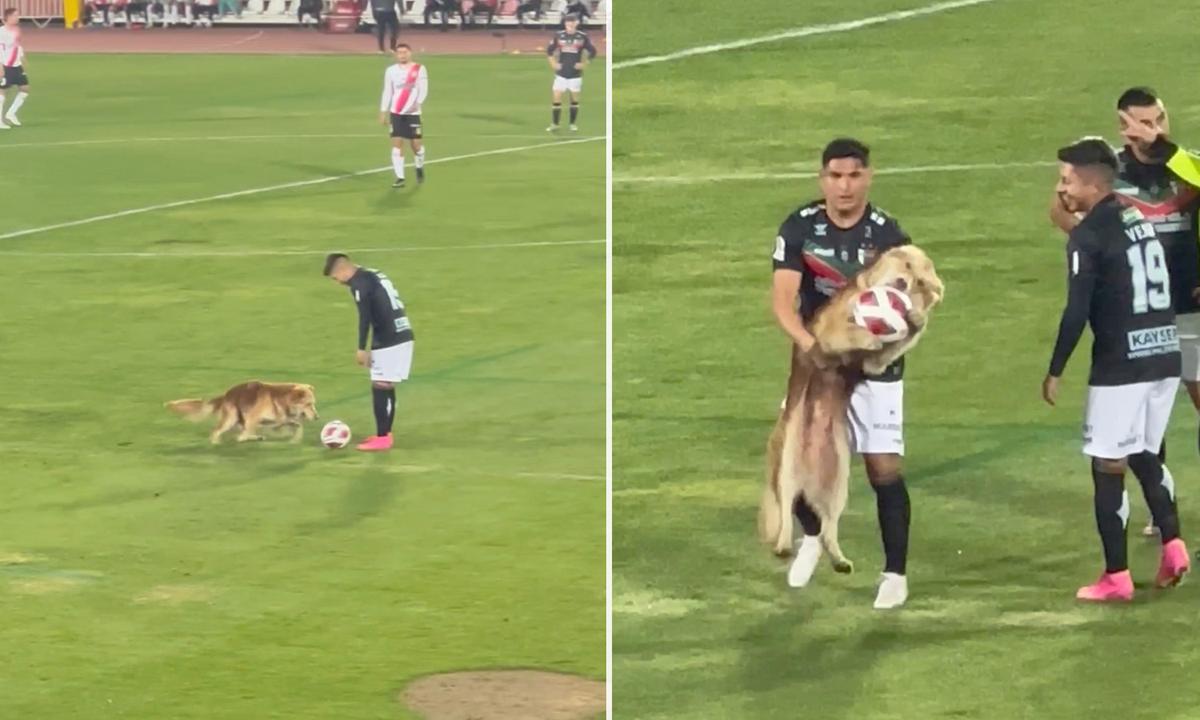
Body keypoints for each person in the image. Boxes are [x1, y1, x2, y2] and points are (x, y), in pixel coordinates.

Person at [1043, 137, 1189, 601]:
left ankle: (1116, 576)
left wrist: (1055, 368)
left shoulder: (1087, 237)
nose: (1061, 189)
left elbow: (1076, 310)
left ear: (1090, 183)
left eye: (1066, 180)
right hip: (1164, 353)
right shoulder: (1137, 218)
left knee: (1108, 465)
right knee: (1146, 454)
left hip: (1121, 365)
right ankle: (1174, 545)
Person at [770, 138, 914, 609]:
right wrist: (815, 348)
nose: (844, 186)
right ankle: (813, 537)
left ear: (868, 177)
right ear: (822, 179)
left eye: (853, 175)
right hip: (818, 365)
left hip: (875, 370)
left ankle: (895, 574)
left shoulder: (889, 235)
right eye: (835, 176)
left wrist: (884, 339)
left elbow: (910, 309)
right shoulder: (800, 227)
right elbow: (782, 302)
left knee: (883, 469)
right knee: (792, 461)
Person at [1051, 87, 1200, 538]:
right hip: (1140, 313)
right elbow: (1059, 209)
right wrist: (1097, 246)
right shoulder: (1108, 170)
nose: (1155, 128)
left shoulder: (1184, 163)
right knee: (1144, 414)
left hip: (1190, 305)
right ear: (1123, 125)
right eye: (1144, 121)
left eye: (1159, 119)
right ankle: (1162, 508)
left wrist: (1166, 147)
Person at [323, 253, 415, 452]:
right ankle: (385, 433)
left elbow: (365, 317)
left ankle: (383, 438)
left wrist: (361, 348)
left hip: (390, 338)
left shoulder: (359, 284)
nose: (338, 282)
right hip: (400, 332)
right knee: (384, 384)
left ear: (342, 270)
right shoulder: (373, 274)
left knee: (381, 385)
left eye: (335, 278)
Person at [378, 44, 428, 188]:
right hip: (396, 112)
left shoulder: (419, 69)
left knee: (416, 145)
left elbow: (423, 88)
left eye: (405, 52)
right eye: (399, 52)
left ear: (410, 53)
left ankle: (419, 166)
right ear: (396, 55)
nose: (402, 55)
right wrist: (383, 111)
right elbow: (387, 91)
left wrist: (418, 103)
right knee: (397, 144)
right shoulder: (391, 71)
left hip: (413, 113)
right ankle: (400, 177)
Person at [545, 14, 596, 133]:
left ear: (577, 23)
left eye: (572, 22)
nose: (570, 25)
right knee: (556, 99)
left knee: (574, 100)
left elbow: (593, 51)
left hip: (575, 74)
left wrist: (584, 63)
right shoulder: (559, 36)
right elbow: (549, 51)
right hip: (561, 73)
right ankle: (555, 124)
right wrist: (553, 64)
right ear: (565, 24)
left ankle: (572, 124)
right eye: (568, 23)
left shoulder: (582, 37)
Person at [0, 8, 30, 130]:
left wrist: (22, 58)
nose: (17, 18)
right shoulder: (2, 32)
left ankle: (11, 113)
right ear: (8, 17)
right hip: (6, 65)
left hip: (16, 65)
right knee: (2, 92)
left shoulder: (17, 30)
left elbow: (17, 46)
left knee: (25, 88)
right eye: (15, 15)